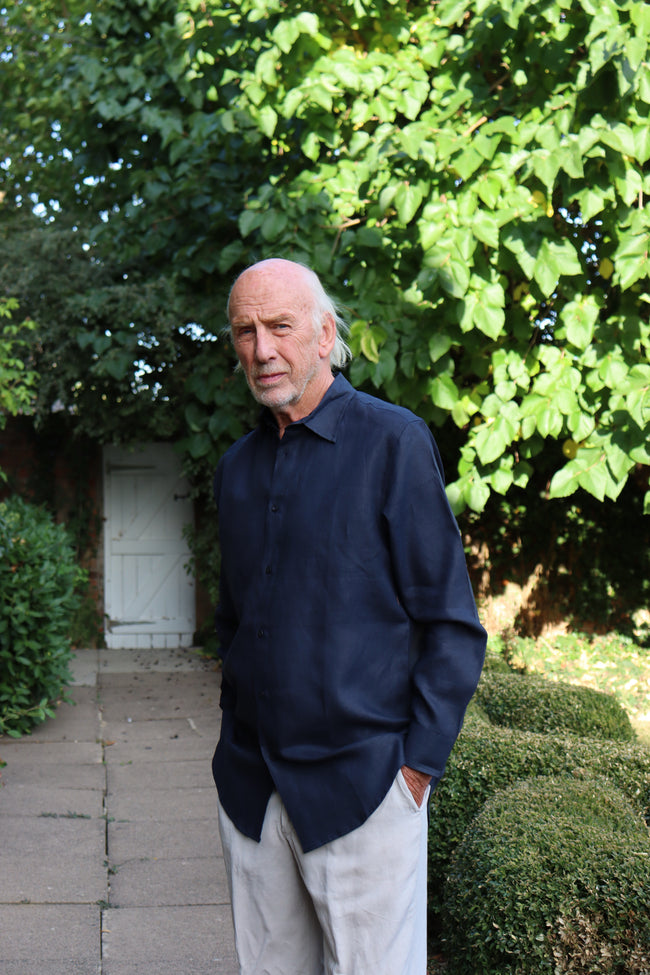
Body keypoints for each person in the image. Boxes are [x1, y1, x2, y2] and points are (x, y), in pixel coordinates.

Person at [211, 258, 487, 975]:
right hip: (253, 794)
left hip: (365, 791)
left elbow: (452, 624)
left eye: (280, 326)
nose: (262, 349)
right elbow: (233, 622)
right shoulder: (236, 469)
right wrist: (231, 739)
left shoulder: (393, 443)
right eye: (245, 331)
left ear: (325, 333)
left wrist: (415, 773)